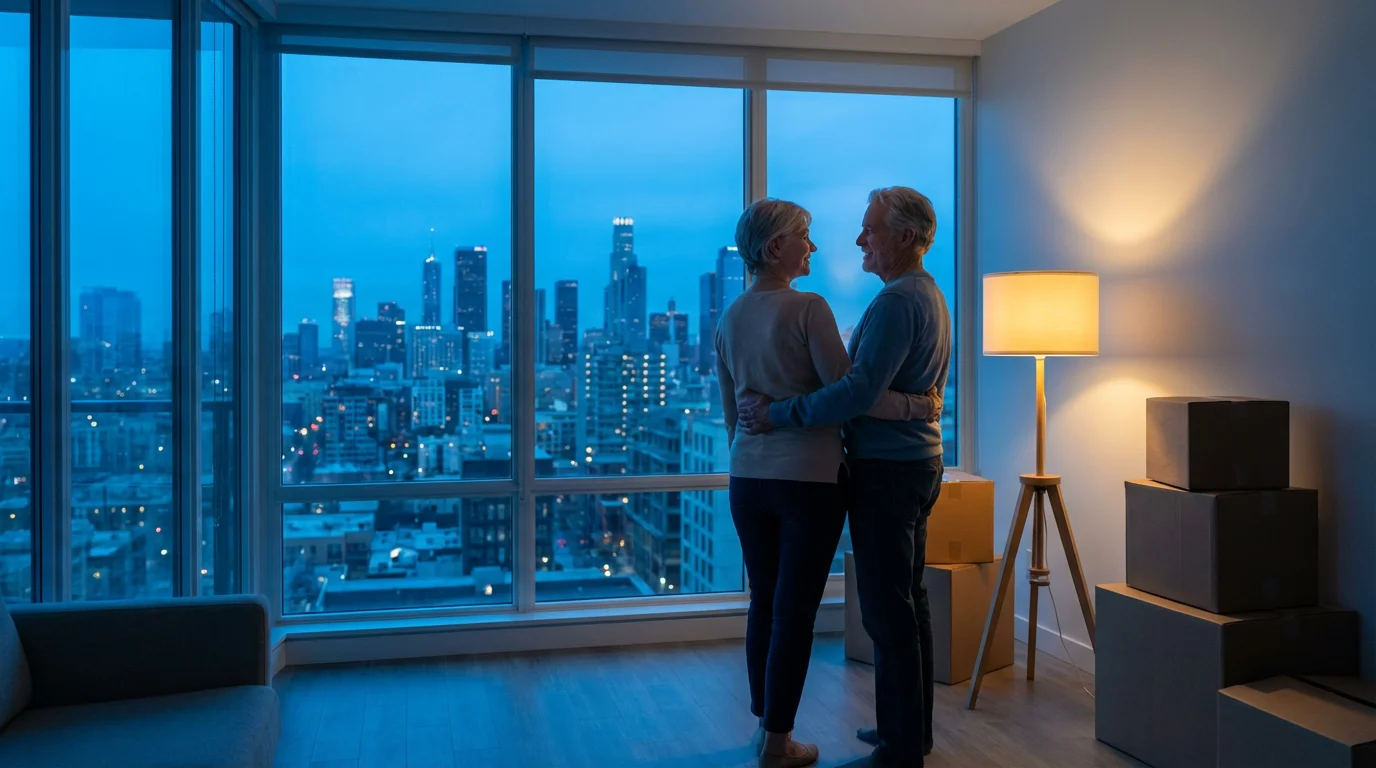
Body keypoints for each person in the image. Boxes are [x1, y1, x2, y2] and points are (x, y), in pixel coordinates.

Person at [717, 198, 941, 768]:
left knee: (766, 603)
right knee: (803, 609)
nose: (820, 245)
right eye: (806, 235)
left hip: (749, 475)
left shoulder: (729, 316)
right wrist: (919, 406)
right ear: (776, 248)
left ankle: (772, 724)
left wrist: (762, 432)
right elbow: (849, 394)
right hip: (809, 480)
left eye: (870, 230)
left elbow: (733, 415)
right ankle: (782, 741)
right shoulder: (813, 307)